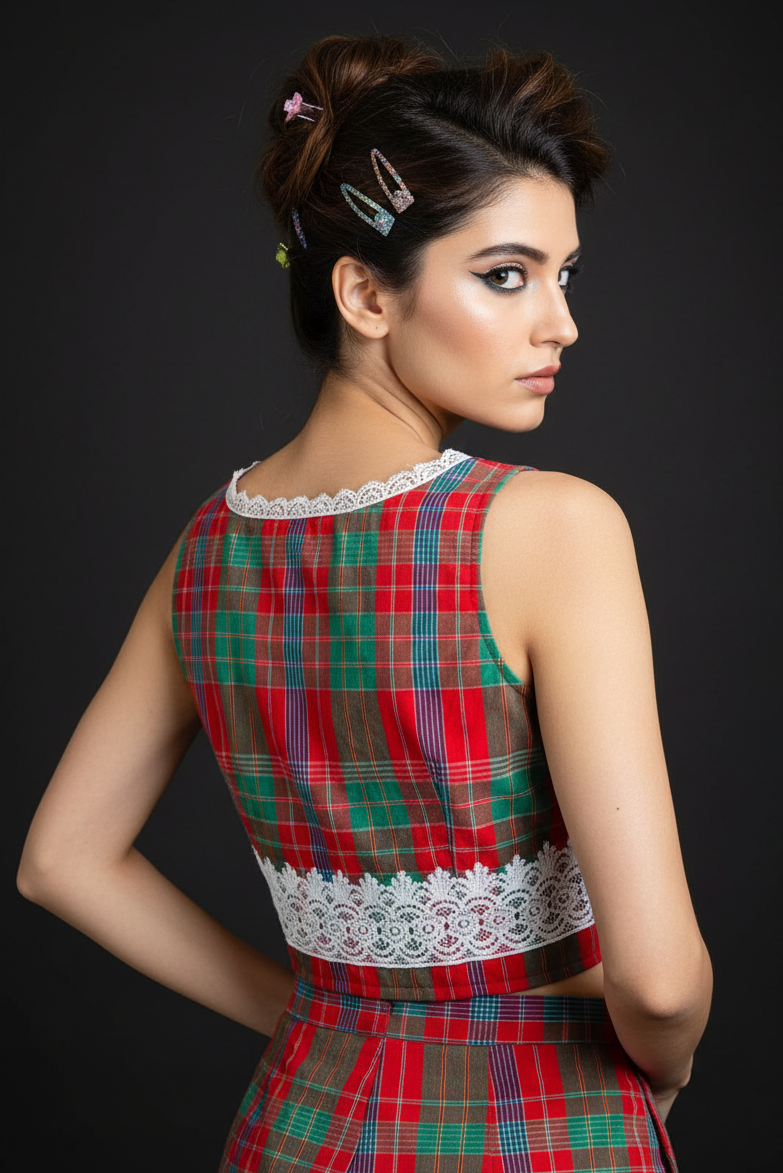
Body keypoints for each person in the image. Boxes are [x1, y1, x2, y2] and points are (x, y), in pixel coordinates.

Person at [17, 32, 712, 1172]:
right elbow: (662, 981)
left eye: (565, 274)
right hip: (541, 1124)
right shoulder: (552, 526)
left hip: (299, 1123)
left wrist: (319, 1025)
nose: (560, 323)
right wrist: (662, 1074)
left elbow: (61, 860)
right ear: (363, 294)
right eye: (506, 275)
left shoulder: (207, 549)